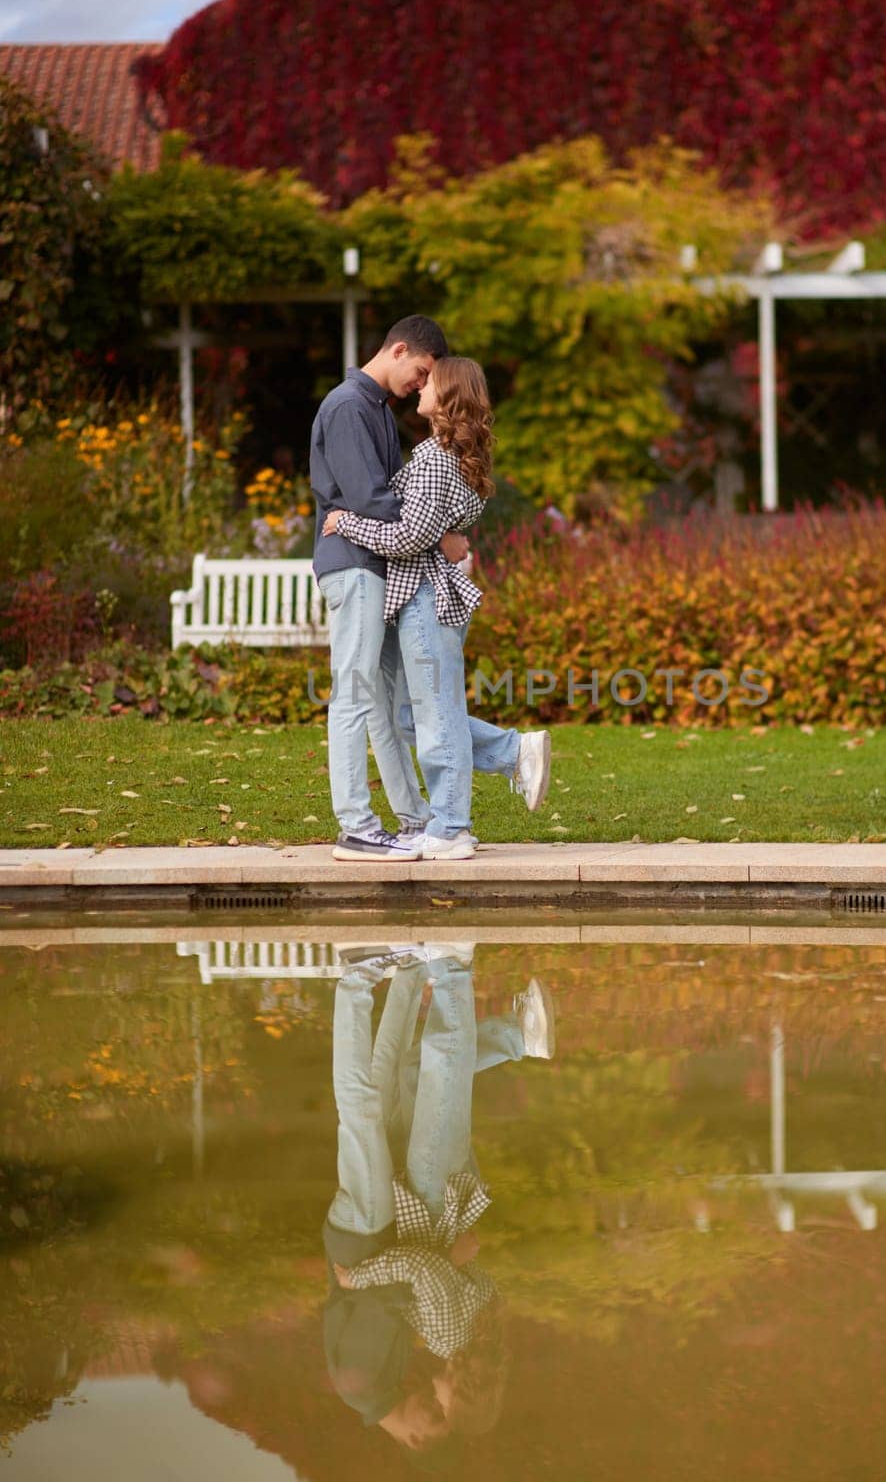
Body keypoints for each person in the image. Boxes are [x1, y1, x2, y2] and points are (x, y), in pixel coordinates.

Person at [322, 943, 555, 1458]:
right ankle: (450, 968)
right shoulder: (450, 1339)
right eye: (442, 1407)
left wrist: (449, 1265)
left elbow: (464, 1269)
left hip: (447, 1202)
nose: (432, 1393)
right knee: (436, 1080)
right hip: (428, 1204)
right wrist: (361, 1278)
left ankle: (517, 1036)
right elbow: (423, 1272)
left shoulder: (480, 1330)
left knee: (415, 1077)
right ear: (458, 1401)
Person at [323, 355, 550, 861]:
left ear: (447, 397)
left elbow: (410, 536)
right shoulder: (445, 457)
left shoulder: (433, 459)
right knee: (410, 716)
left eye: (431, 381)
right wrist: (442, 539)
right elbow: (430, 533)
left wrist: (346, 523)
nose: (421, 386)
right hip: (425, 595)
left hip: (429, 598)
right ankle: (514, 752)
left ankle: (451, 828)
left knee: (433, 715)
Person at [312, 316, 461, 862]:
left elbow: (386, 495)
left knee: (376, 699)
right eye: (421, 372)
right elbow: (370, 498)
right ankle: (354, 825)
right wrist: (437, 526)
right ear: (398, 350)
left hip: (370, 563)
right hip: (352, 563)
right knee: (353, 692)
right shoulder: (349, 405)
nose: (422, 385)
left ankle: (414, 817)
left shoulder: (372, 408)